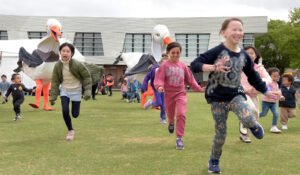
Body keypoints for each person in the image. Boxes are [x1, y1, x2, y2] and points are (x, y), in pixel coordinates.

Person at [190, 18, 277, 173]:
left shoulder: (244, 56)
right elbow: (195, 64)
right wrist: (213, 67)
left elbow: (253, 77)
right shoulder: (217, 51)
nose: (238, 32)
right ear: (223, 33)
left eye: (240, 29)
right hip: (216, 99)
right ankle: (214, 162)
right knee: (221, 133)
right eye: (234, 29)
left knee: (248, 118)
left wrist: (265, 91)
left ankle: (253, 125)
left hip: (235, 95)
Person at [154, 42, 203, 150]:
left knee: (181, 114)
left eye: (178, 52)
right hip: (168, 95)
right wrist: (159, 87)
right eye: (173, 52)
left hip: (181, 93)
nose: (175, 54)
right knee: (171, 115)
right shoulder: (164, 66)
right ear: (168, 53)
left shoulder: (183, 66)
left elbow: (190, 79)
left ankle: (179, 138)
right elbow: (159, 79)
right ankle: (171, 122)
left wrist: (199, 88)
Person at [49, 42, 92, 141]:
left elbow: (86, 76)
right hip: (65, 91)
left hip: (76, 91)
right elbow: (55, 81)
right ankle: (71, 130)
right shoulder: (57, 66)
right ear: (60, 52)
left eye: (68, 51)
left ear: (71, 53)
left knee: (75, 115)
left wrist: (87, 91)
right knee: (65, 111)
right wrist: (53, 96)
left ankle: (74, 118)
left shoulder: (77, 64)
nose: (65, 53)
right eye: (63, 51)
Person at [239, 46, 272, 143]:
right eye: (246, 53)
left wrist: (259, 82)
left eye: (252, 53)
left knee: (255, 116)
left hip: (255, 94)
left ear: (256, 55)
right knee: (251, 109)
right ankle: (243, 126)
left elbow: (268, 79)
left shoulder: (259, 68)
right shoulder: (239, 67)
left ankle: (245, 136)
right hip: (242, 94)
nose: (249, 55)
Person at [143, 54, 169, 124]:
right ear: (161, 63)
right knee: (159, 103)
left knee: (164, 105)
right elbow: (146, 78)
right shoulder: (155, 70)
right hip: (156, 88)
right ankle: (150, 102)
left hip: (164, 89)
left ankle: (162, 119)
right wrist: (144, 87)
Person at [259, 68, 282, 133]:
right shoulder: (269, 83)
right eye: (274, 76)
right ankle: (253, 117)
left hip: (273, 103)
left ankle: (274, 127)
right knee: (263, 114)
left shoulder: (277, 84)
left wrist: (280, 96)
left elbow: (277, 92)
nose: (276, 77)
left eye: (277, 76)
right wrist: (274, 96)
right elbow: (267, 92)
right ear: (269, 76)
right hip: (266, 101)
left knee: (276, 113)